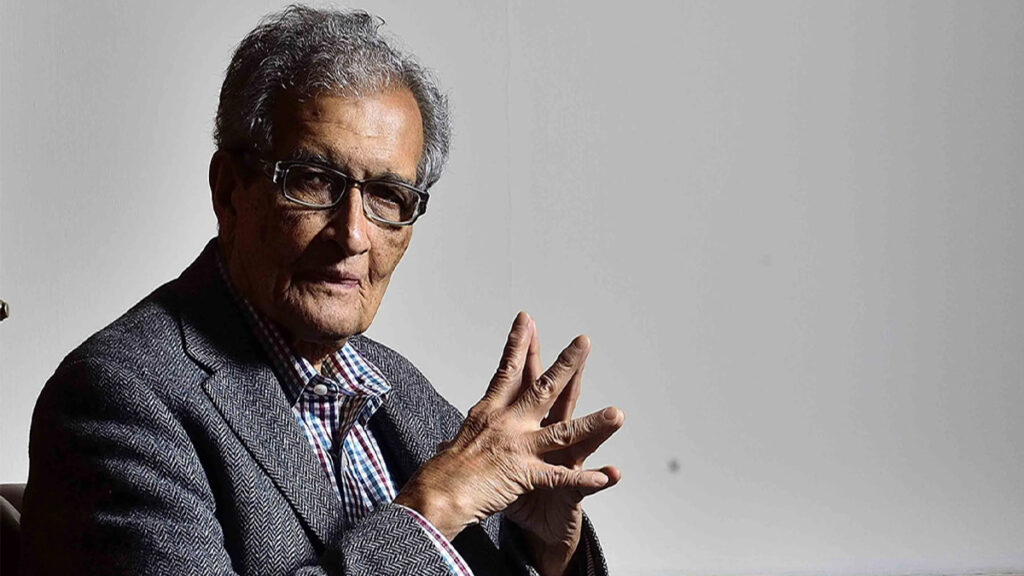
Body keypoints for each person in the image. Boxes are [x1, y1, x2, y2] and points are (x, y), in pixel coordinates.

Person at [20, 5, 624, 576]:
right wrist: (431, 510)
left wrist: (546, 555)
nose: (354, 235)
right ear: (230, 191)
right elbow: (432, 522)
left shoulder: (397, 386)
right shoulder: (116, 399)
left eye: (388, 196)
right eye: (313, 180)